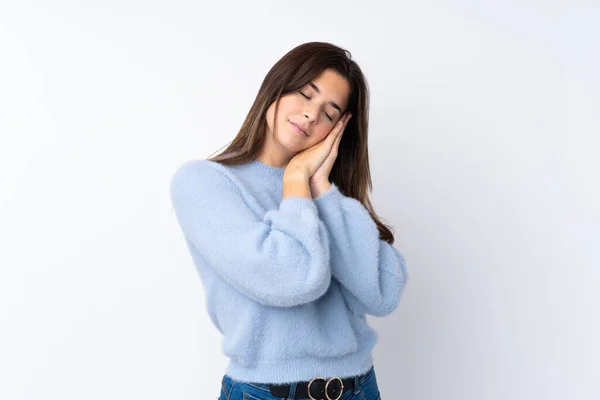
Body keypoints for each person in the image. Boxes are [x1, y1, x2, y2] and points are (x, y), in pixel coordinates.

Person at [169, 42, 409, 400]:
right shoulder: (204, 183)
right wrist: (295, 180)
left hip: (359, 387)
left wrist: (321, 189)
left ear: (339, 130)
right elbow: (292, 278)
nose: (311, 115)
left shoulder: (329, 195)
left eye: (329, 113)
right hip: (265, 391)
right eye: (304, 94)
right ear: (276, 88)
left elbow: (383, 295)